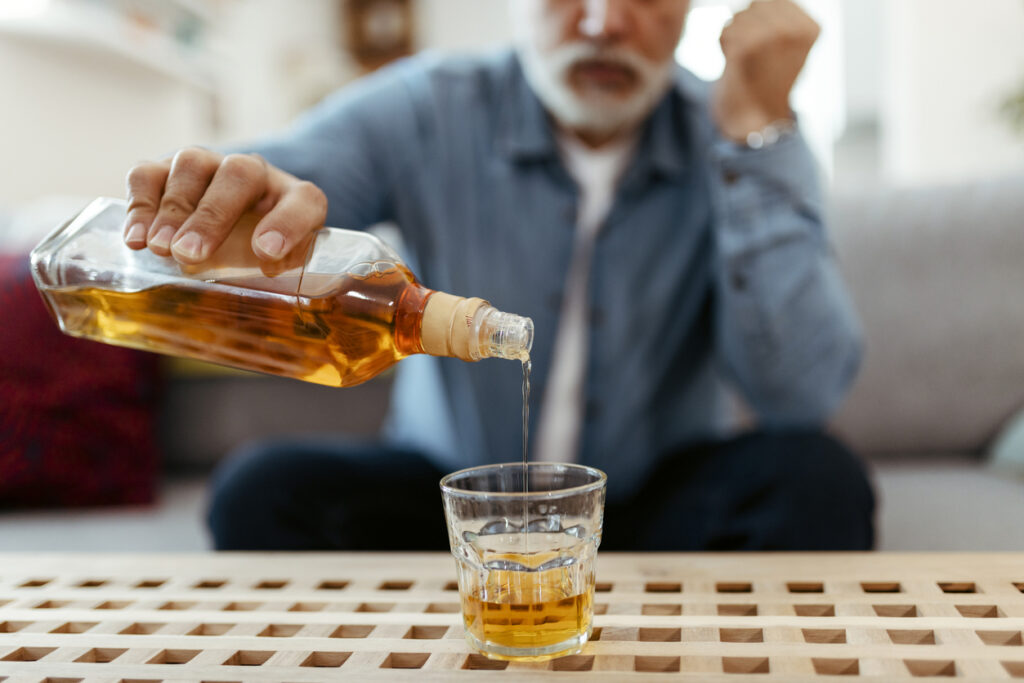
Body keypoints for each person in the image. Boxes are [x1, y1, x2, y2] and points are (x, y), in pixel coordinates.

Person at [123, 0, 874, 551]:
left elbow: (800, 393)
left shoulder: (743, 130)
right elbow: (291, 180)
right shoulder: (428, 106)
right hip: (448, 502)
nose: (603, 22)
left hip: (652, 509)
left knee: (818, 477)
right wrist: (248, 201)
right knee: (262, 488)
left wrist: (754, 135)